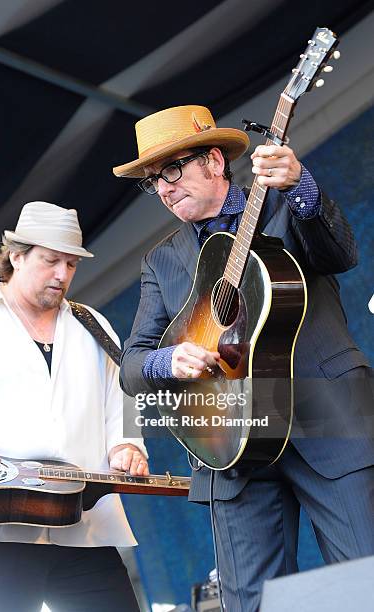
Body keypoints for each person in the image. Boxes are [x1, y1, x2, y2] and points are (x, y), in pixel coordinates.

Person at [113, 105, 374, 611]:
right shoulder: (161, 260)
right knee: (252, 603)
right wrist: (170, 361)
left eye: (171, 171)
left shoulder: (284, 207)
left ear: (213, 160)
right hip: (231, 442)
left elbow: (340, 254)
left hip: (326, 421)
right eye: (152, 182)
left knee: (366, 583)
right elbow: (131, 365)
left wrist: (301, 184)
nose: (163, 190)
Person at [0, 201, 149, 612]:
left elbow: (120, 400)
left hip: (84, 525)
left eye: (71, 264)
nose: (62, 275)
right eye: (51, 261)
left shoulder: (92, 324)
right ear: (16, 256)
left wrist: (126, 446)